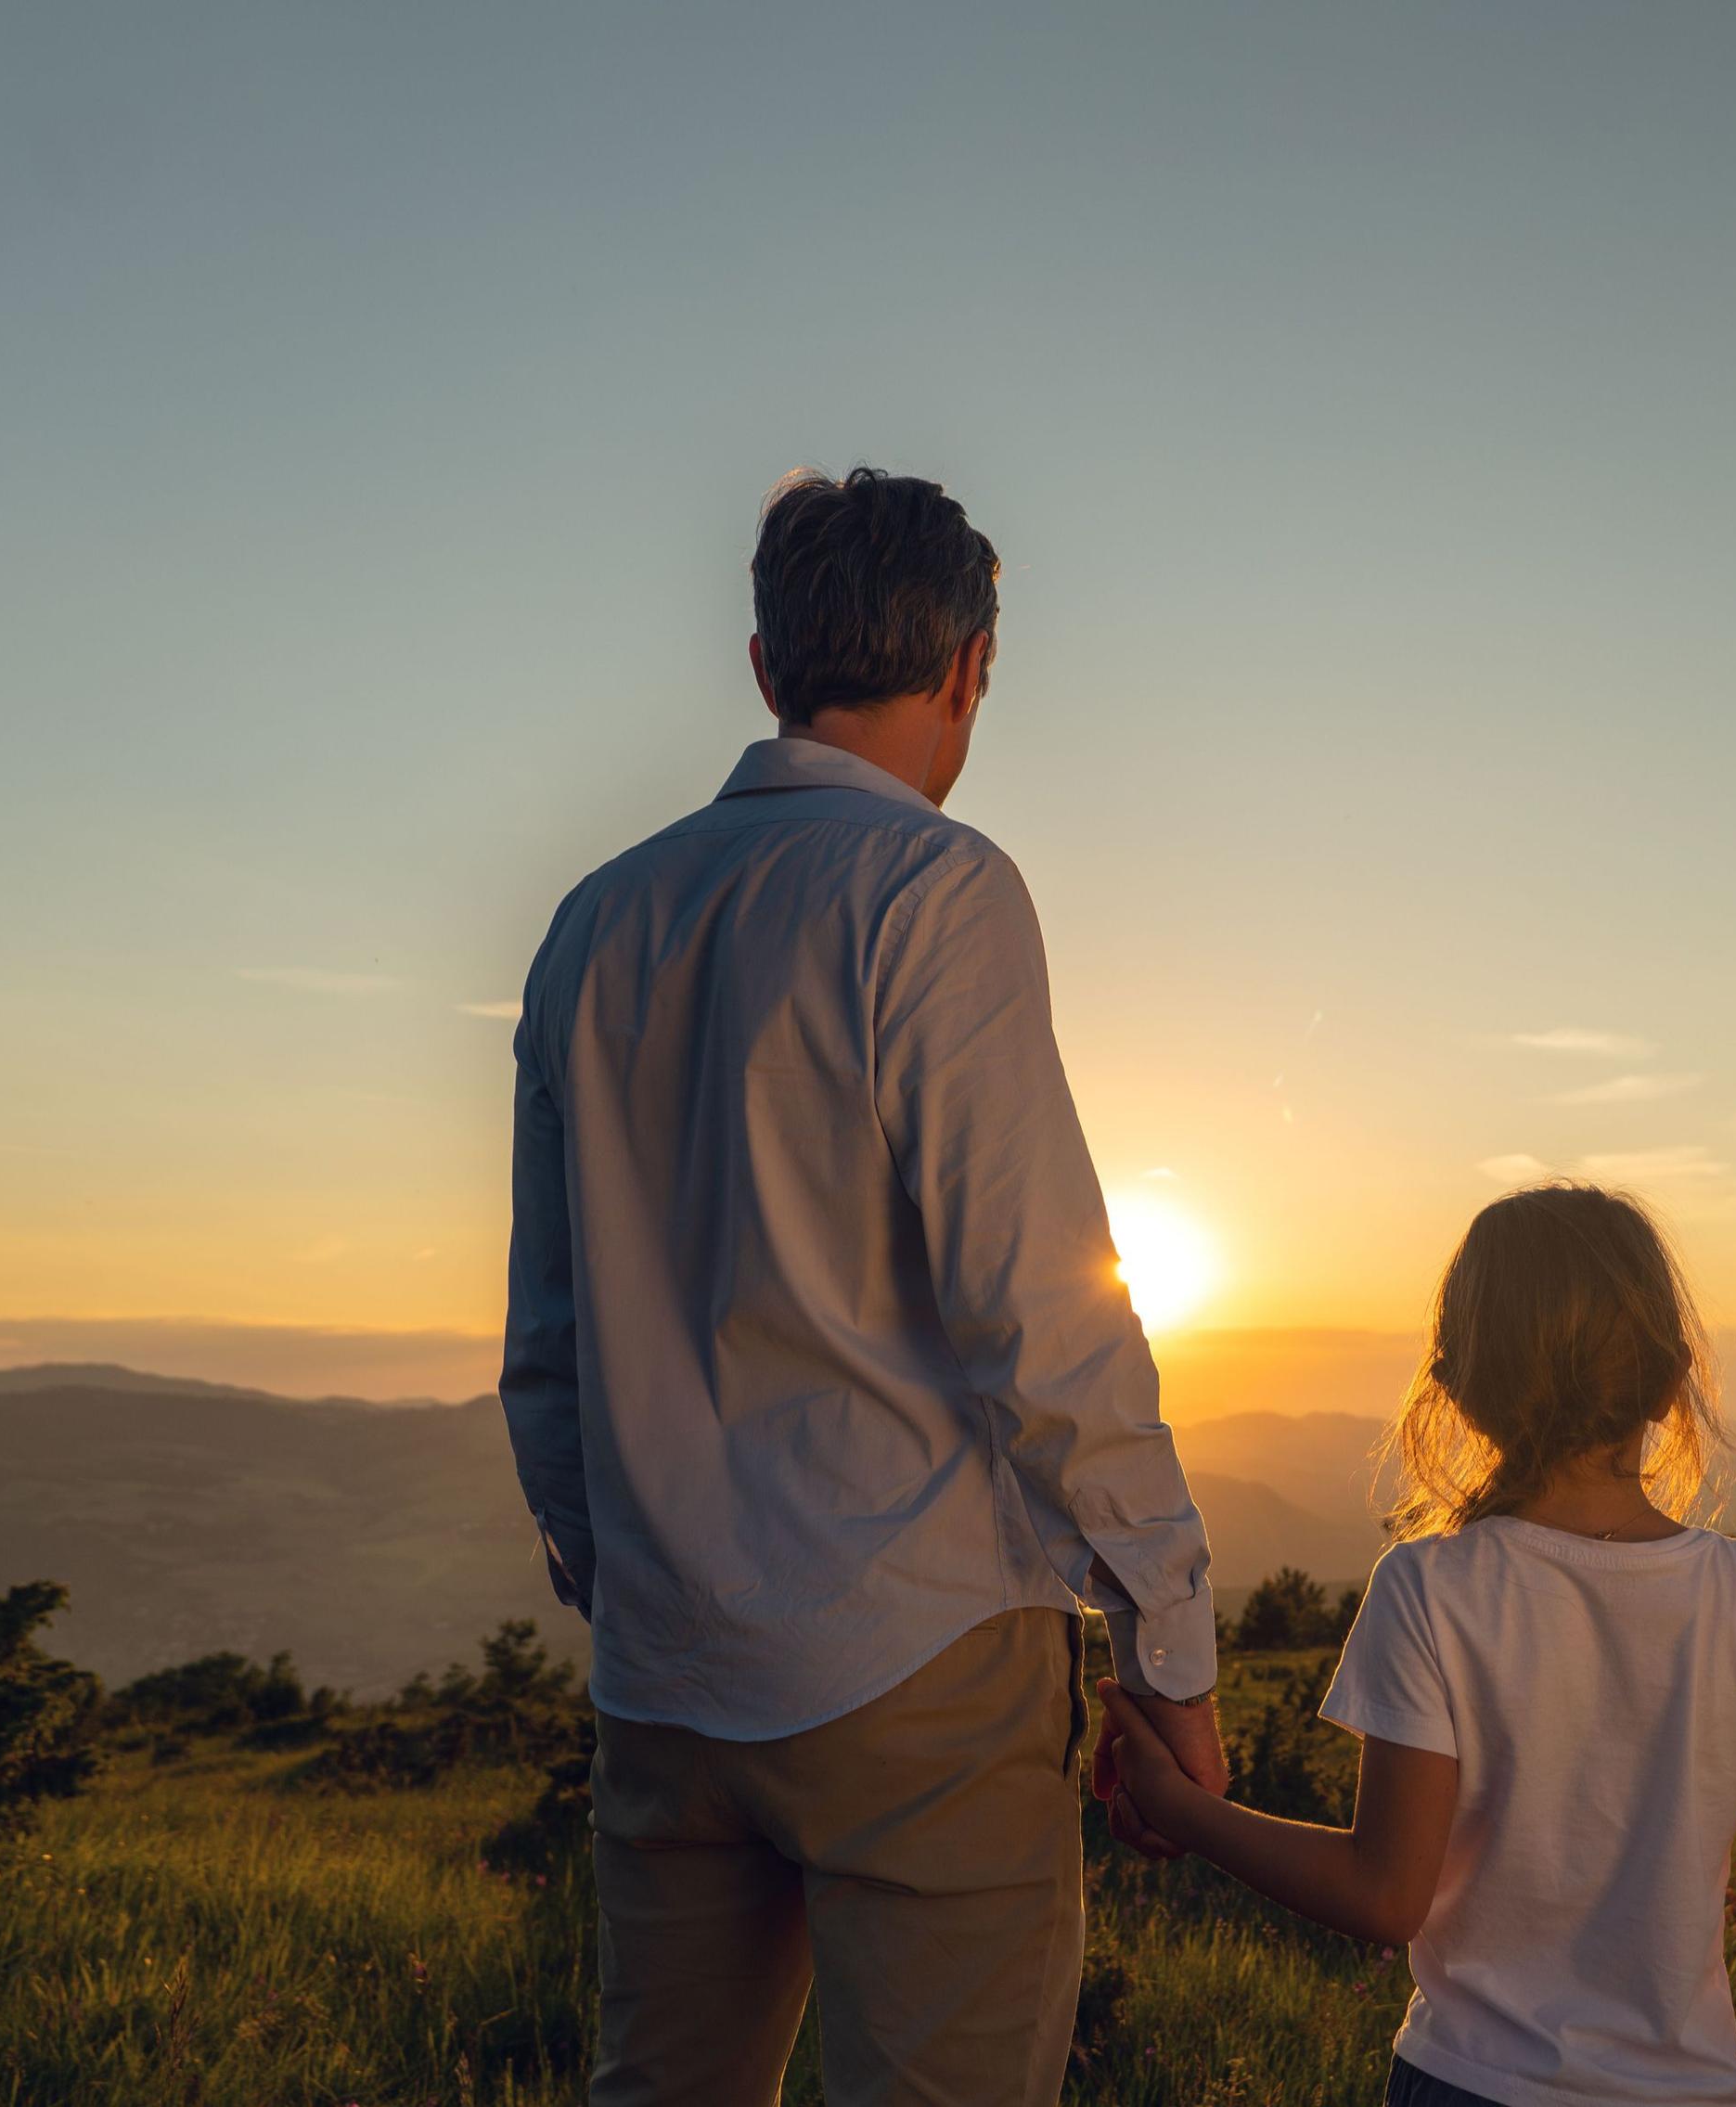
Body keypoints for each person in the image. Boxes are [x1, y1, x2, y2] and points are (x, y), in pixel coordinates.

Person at [500, 467, 1224, 2107]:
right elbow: (1044, 1317)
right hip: (919, 1660)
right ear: (973, 664)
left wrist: (630, 1588)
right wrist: (1164, 1642)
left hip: (667, 1676)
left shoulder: (591, 925)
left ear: (764, 666)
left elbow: (546, 1351)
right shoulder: (937, 892)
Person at [1099, 1183, 1736, 2107]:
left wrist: (1178, 1809)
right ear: (1672, 1378)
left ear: (1459, 1388)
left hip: (1471, 2083)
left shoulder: (1431, 1588)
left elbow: (1386, 1897)